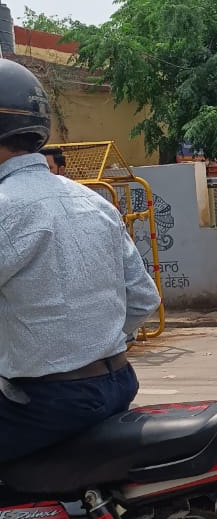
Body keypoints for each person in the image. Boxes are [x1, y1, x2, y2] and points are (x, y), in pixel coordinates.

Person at [0, 62, 160, 464]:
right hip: (117, 382)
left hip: (47, 403)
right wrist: (92, 345)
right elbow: (144, 298)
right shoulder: (93, 201)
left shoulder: (5, 209)